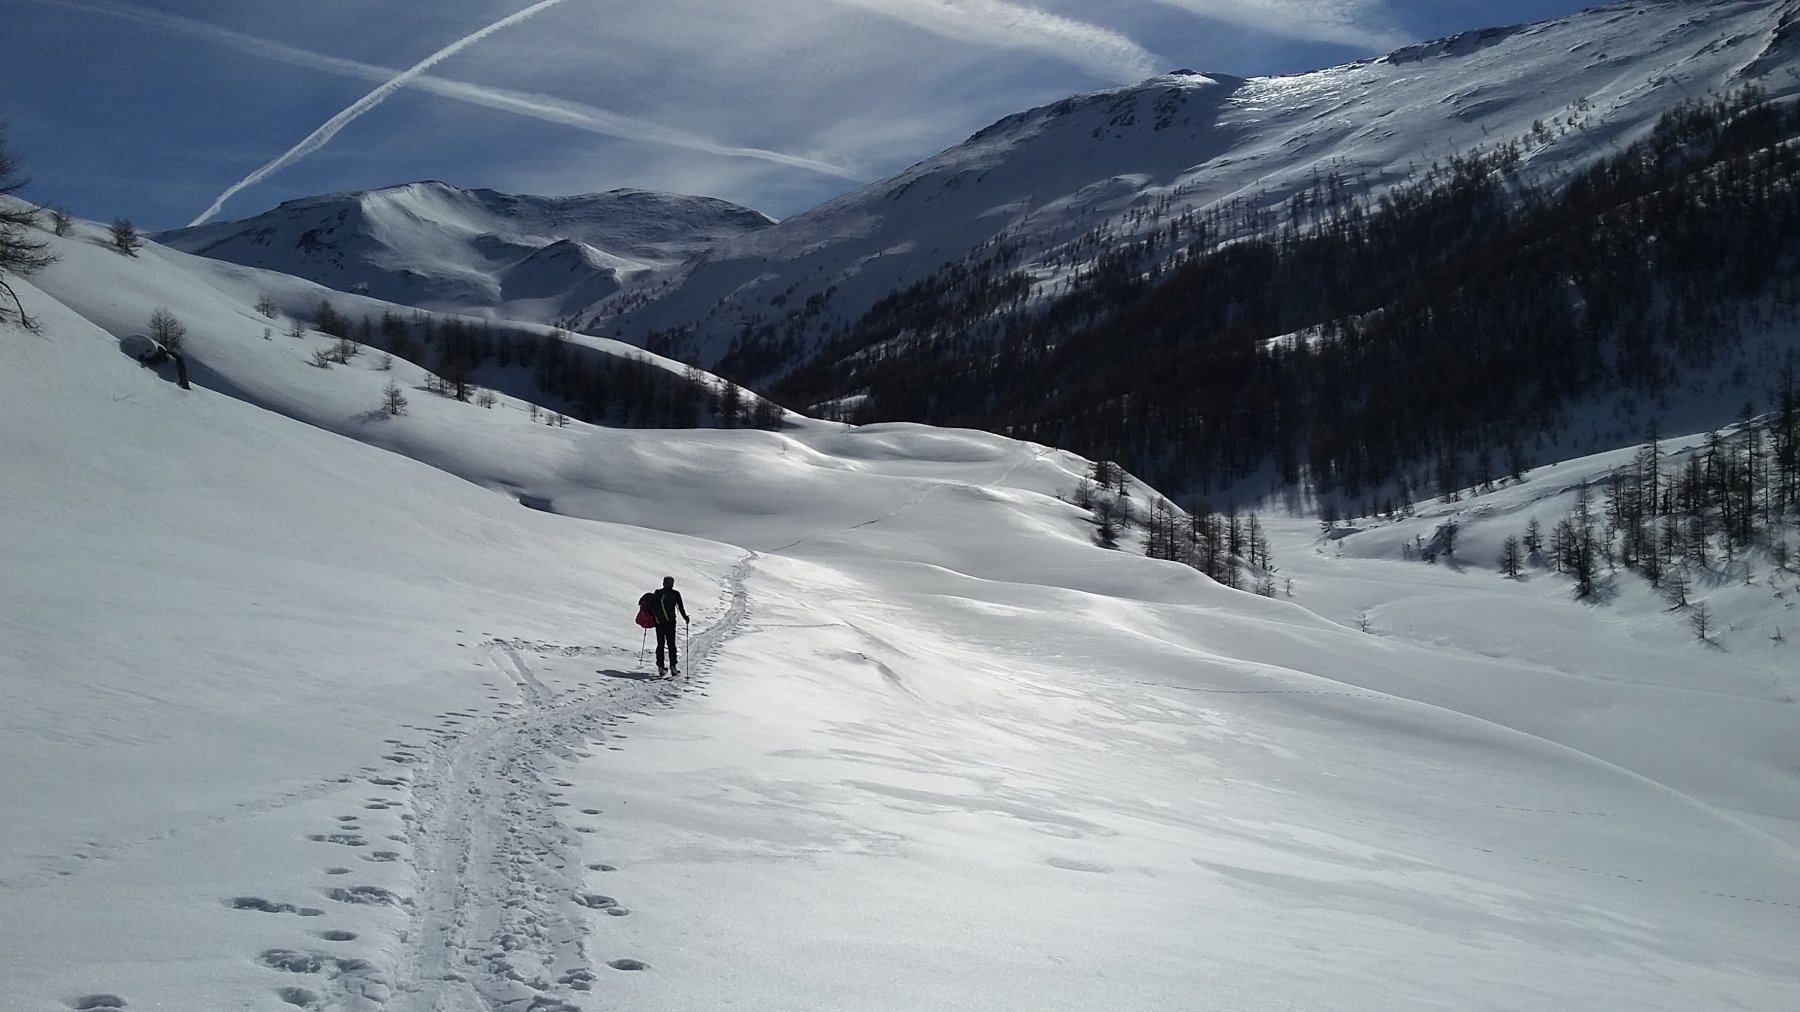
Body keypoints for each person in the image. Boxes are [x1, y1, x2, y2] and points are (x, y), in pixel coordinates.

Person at [649, 576, 689, 675]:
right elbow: (681, 608)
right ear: (672, 584)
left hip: (659, 622)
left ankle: (660, 667)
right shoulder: (675, 594)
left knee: (660, 644)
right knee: (671, 644)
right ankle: (673, 666)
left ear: (663, 583)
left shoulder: (658, 593)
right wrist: (685, 618)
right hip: (671, 622)